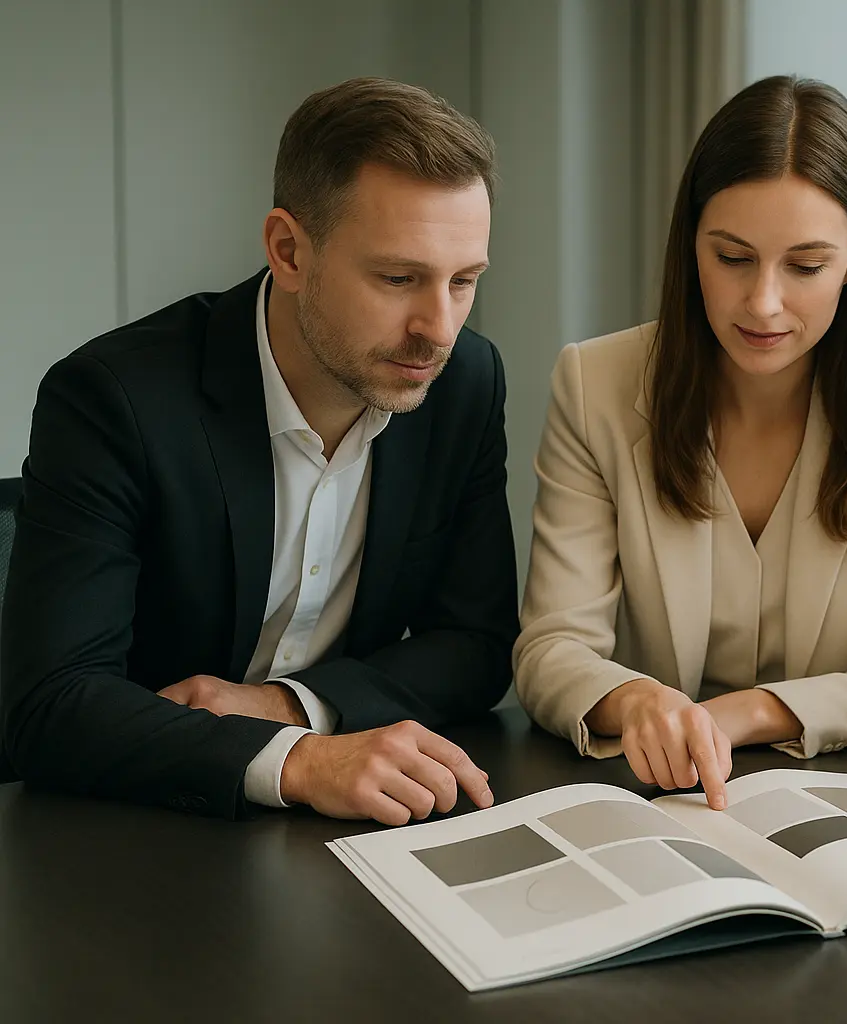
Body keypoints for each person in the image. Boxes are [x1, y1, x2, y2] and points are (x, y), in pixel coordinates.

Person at [0, 78, 518, 824]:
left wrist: (288, 708)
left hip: (359, 824)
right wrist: (300, 762)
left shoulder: (464, 381)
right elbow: (52, 705)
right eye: (399, 278)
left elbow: (474, 645)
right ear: (288, 251)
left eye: (464, 281)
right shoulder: (114, 399)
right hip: (135, 832)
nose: (438, 327)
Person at [515, 76, 847, 809]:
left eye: (805, 266)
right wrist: (637, 703)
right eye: (732, 258)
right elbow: (550, 648)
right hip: (643, 795)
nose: (763, 302)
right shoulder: (595, 384)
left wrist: (743, 714)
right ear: (691, 243)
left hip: (841, 796)